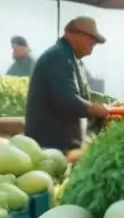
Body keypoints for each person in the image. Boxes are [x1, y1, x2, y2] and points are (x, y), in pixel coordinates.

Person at [25, 16, 108, 151]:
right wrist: (96, 110)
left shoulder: (71, 58)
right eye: (91, 41)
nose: (92, 47)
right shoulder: (57, 57)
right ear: (75, 34)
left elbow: (82, 95)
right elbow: (66, 99)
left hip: (64, 146)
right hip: (51, 147)